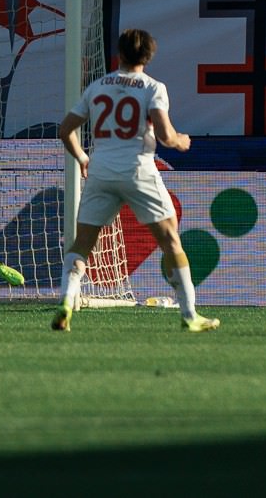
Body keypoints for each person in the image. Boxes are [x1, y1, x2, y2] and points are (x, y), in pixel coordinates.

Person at [53, 28, 219, 333]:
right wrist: (182, 141)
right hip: (138, 170)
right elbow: (167, 136)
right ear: (149, 56)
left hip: (101, 169)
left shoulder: (98, 87)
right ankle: (190, 314)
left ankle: (66, 300)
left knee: (83, 243)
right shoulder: (153, 87)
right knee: (170, 240)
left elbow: (65, 130)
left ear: (119, 54)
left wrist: (82, 158)